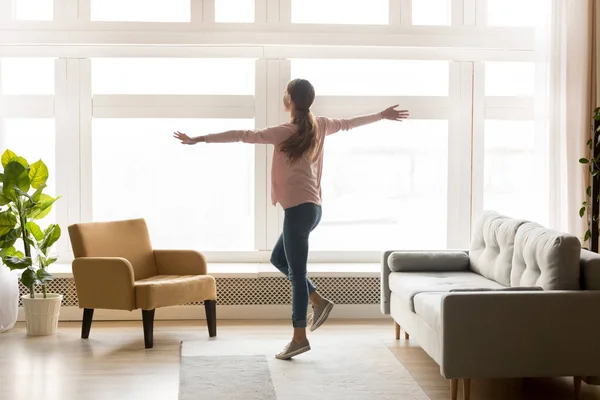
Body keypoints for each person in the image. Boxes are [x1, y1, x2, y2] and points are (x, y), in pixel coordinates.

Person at [173, 78, 409, 360]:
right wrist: (380, 116)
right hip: (311, 209)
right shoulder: (320, 125)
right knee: (278, 259)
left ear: (288, 100)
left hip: (299, 211)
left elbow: (241, 134)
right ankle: (318, 300)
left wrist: (199, 139)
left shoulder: (286, 131)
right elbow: (348, 123)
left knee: (296, 274)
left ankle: (299, 337)